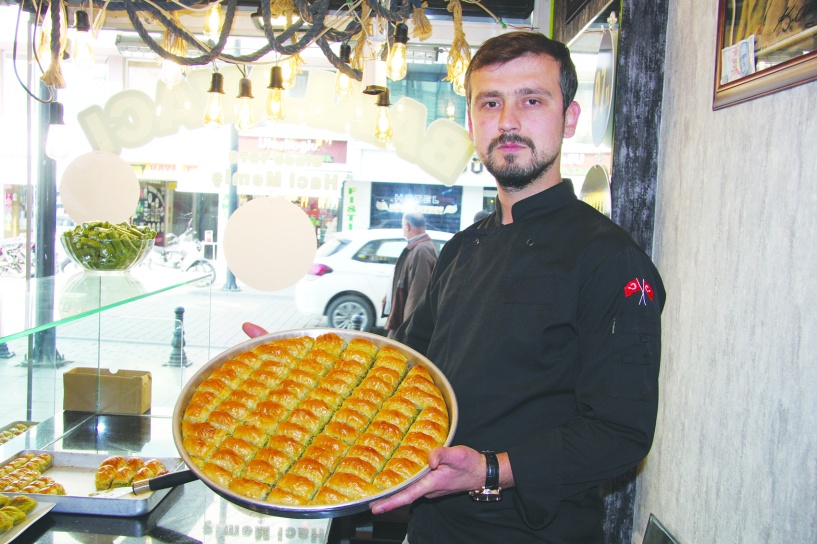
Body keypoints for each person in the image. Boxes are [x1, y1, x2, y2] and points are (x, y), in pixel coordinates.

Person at [366, 30, 666, 543]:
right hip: (434, 527)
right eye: (490, 102)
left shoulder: (609, 258)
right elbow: (408, 370)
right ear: (471, 122)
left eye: (531, 100)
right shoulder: (461, 247)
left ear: (569, 118)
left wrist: (489, 469)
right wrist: (307, 368)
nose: (507, 121)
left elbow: (621, 434)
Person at [383, 212, 438, 338]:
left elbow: (417, 293)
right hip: (401, 321)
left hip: (404, 326)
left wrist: (407, 330)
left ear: (407, 226)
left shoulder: (422, 250)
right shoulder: (417, 247)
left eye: (402, 225)